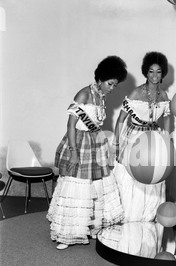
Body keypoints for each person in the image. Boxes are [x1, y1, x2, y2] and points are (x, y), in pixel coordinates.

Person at [47, 56, 128, 250]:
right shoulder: (83, 94)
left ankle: (90, 226)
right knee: (78, 185)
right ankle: (68, 234)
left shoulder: (101, 95)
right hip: (79, 142)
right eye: (110, 84)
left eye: (115, 85)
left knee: (97, 185)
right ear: (100, 79)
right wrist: (74, 153)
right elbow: (71, 125)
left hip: (95, 142)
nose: (112, 88)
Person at [112, 51, 171, 222]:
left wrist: (166, 139)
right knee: (131, 179)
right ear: (146, 72)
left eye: (158, 71)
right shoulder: (136, 93)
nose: (154, 75)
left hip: (154, 138)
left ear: (163, 73)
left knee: (153, 175)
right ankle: (129, 217)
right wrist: (116, 144)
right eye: (151, 71)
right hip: (134, 138)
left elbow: (167, 119)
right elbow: (121, 119)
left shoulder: (164, 96)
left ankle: (147, 217)